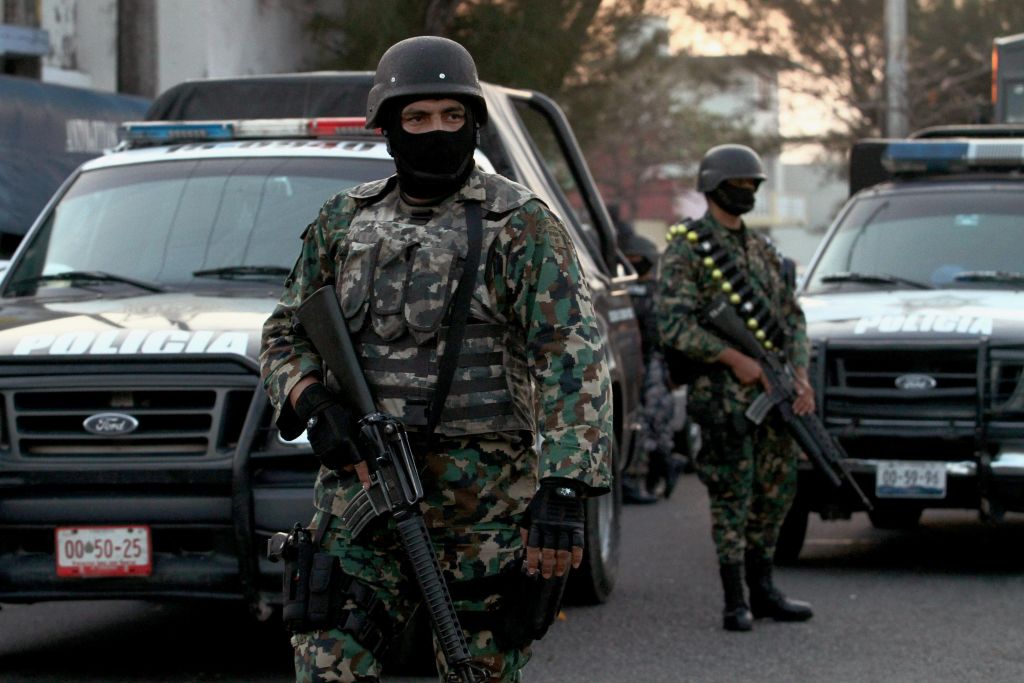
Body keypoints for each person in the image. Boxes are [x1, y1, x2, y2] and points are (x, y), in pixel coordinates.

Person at [258, 36, 611, 682]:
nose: (436, 131)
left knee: (476, 668)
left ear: (474, 122)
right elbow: (286, 331)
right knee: (327, 666)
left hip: (482, 515)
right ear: (388, 127)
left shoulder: (521, 227)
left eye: (452, 116)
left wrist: (565, 489)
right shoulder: (344, 222)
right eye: (416, 118)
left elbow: (572, 359)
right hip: (361, 501)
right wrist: (310, 400)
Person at [656, 144, 814, 632]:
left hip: (775, 394)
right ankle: (735, 599)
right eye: (738, 184)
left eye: (753, 185)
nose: (746, 192)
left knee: (776, 490)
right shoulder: (688, 248)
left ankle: (764, 588)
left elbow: (792, 318)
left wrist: (801, 375)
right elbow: (673, 325)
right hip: (722, 397)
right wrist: (735, 359)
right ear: (713, 187)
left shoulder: (762, 250)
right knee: (732, 495)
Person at [618, 229, 681, 502]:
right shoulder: (623, 290)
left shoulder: (659, 292)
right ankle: (644, 476)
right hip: (633, 363)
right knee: (641, 424)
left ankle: (661, 469)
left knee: (655, 423)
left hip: (654, 365)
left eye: (637, 258)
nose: (633, 262)